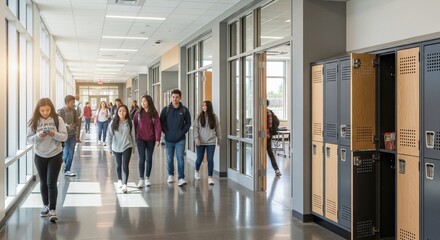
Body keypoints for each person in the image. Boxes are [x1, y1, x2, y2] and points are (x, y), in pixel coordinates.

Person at [27, 98, 68, 222]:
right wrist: (39, 136)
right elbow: (29, 140)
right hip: (40, 155)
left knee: (51, 182)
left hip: (55, 154)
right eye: (42, 110)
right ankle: (45, 205)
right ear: (38, 110)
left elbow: (65, 137)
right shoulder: (33, 121)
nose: (45, 113)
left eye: (47, 110)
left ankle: (53, 209)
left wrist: (53, 134)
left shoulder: (58, 119)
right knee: (43, 182)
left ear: (51, 109)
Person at [160, 89, 191, 186]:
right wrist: (166, 132)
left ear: (180, 98)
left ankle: (181, 178)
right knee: (169, 158)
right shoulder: (166, 109)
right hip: (169, 139)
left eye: (177, 97)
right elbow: (160, 122)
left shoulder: (184, 110)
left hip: (180, 139)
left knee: (180, 158)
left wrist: (182, 133)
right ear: (171, 97)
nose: (175, 99)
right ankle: (170, 175)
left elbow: (188, 123)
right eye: (173, 97)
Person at [133, 95, 161, 188]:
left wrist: (158, 139)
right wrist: (135, 138)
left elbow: (157, 126)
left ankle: (147, 178)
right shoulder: (138, 113)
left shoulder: (154, 113)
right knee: (142, 158)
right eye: (142, 101)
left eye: (144, 101)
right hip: (140, 139)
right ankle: (141, 179)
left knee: (149, 158)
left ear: (149, 101)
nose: (143, 103)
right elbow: (135, 125)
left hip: (151, 139)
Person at [108, 105, 136, 193]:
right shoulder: (113, 122)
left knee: (125, 165)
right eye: (120, 111)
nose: (122, 112)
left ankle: (125, 184)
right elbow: (109, 136)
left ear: (127, 112)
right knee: (118, 165)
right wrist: (109, 148)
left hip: (127, 146)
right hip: (116, 147)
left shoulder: (130, 122)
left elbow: (133, 135)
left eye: (124, 111)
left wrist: (134, 147)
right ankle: (119, 179)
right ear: (117, 112)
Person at [193, 100, 221, 185]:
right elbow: (195, 128)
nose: (204, 107)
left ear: (209, 107)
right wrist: (196, 138)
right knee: (199, 159)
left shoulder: (214, 117)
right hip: (200, 142)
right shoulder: (198, 116)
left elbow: (218, 129)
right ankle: (197, 170)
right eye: (203, 106)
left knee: (210, 159)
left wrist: (219, 139)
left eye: (205, 105)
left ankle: (210, 177)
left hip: (211, 142)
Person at [58, 95, 79, 177]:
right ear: (67, 102)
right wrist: (67, 126)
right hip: (64, 135)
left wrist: (74, 125)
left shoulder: (74, 111)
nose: (74, 104)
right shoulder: (61, 111)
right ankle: (66, 167)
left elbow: (77, 121)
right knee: (66, 153)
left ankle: (67, 169)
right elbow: (60, 123)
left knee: (71, 153)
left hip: (72, 135)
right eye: (72, 102)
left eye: (74, 102)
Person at [267, 100, 281, 176]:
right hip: (269, 136)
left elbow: (269, 125)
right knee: (270, 152)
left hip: (265, 136)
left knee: (268, 152)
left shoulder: (265, 113)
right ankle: (276, 169)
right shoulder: (269, 112)